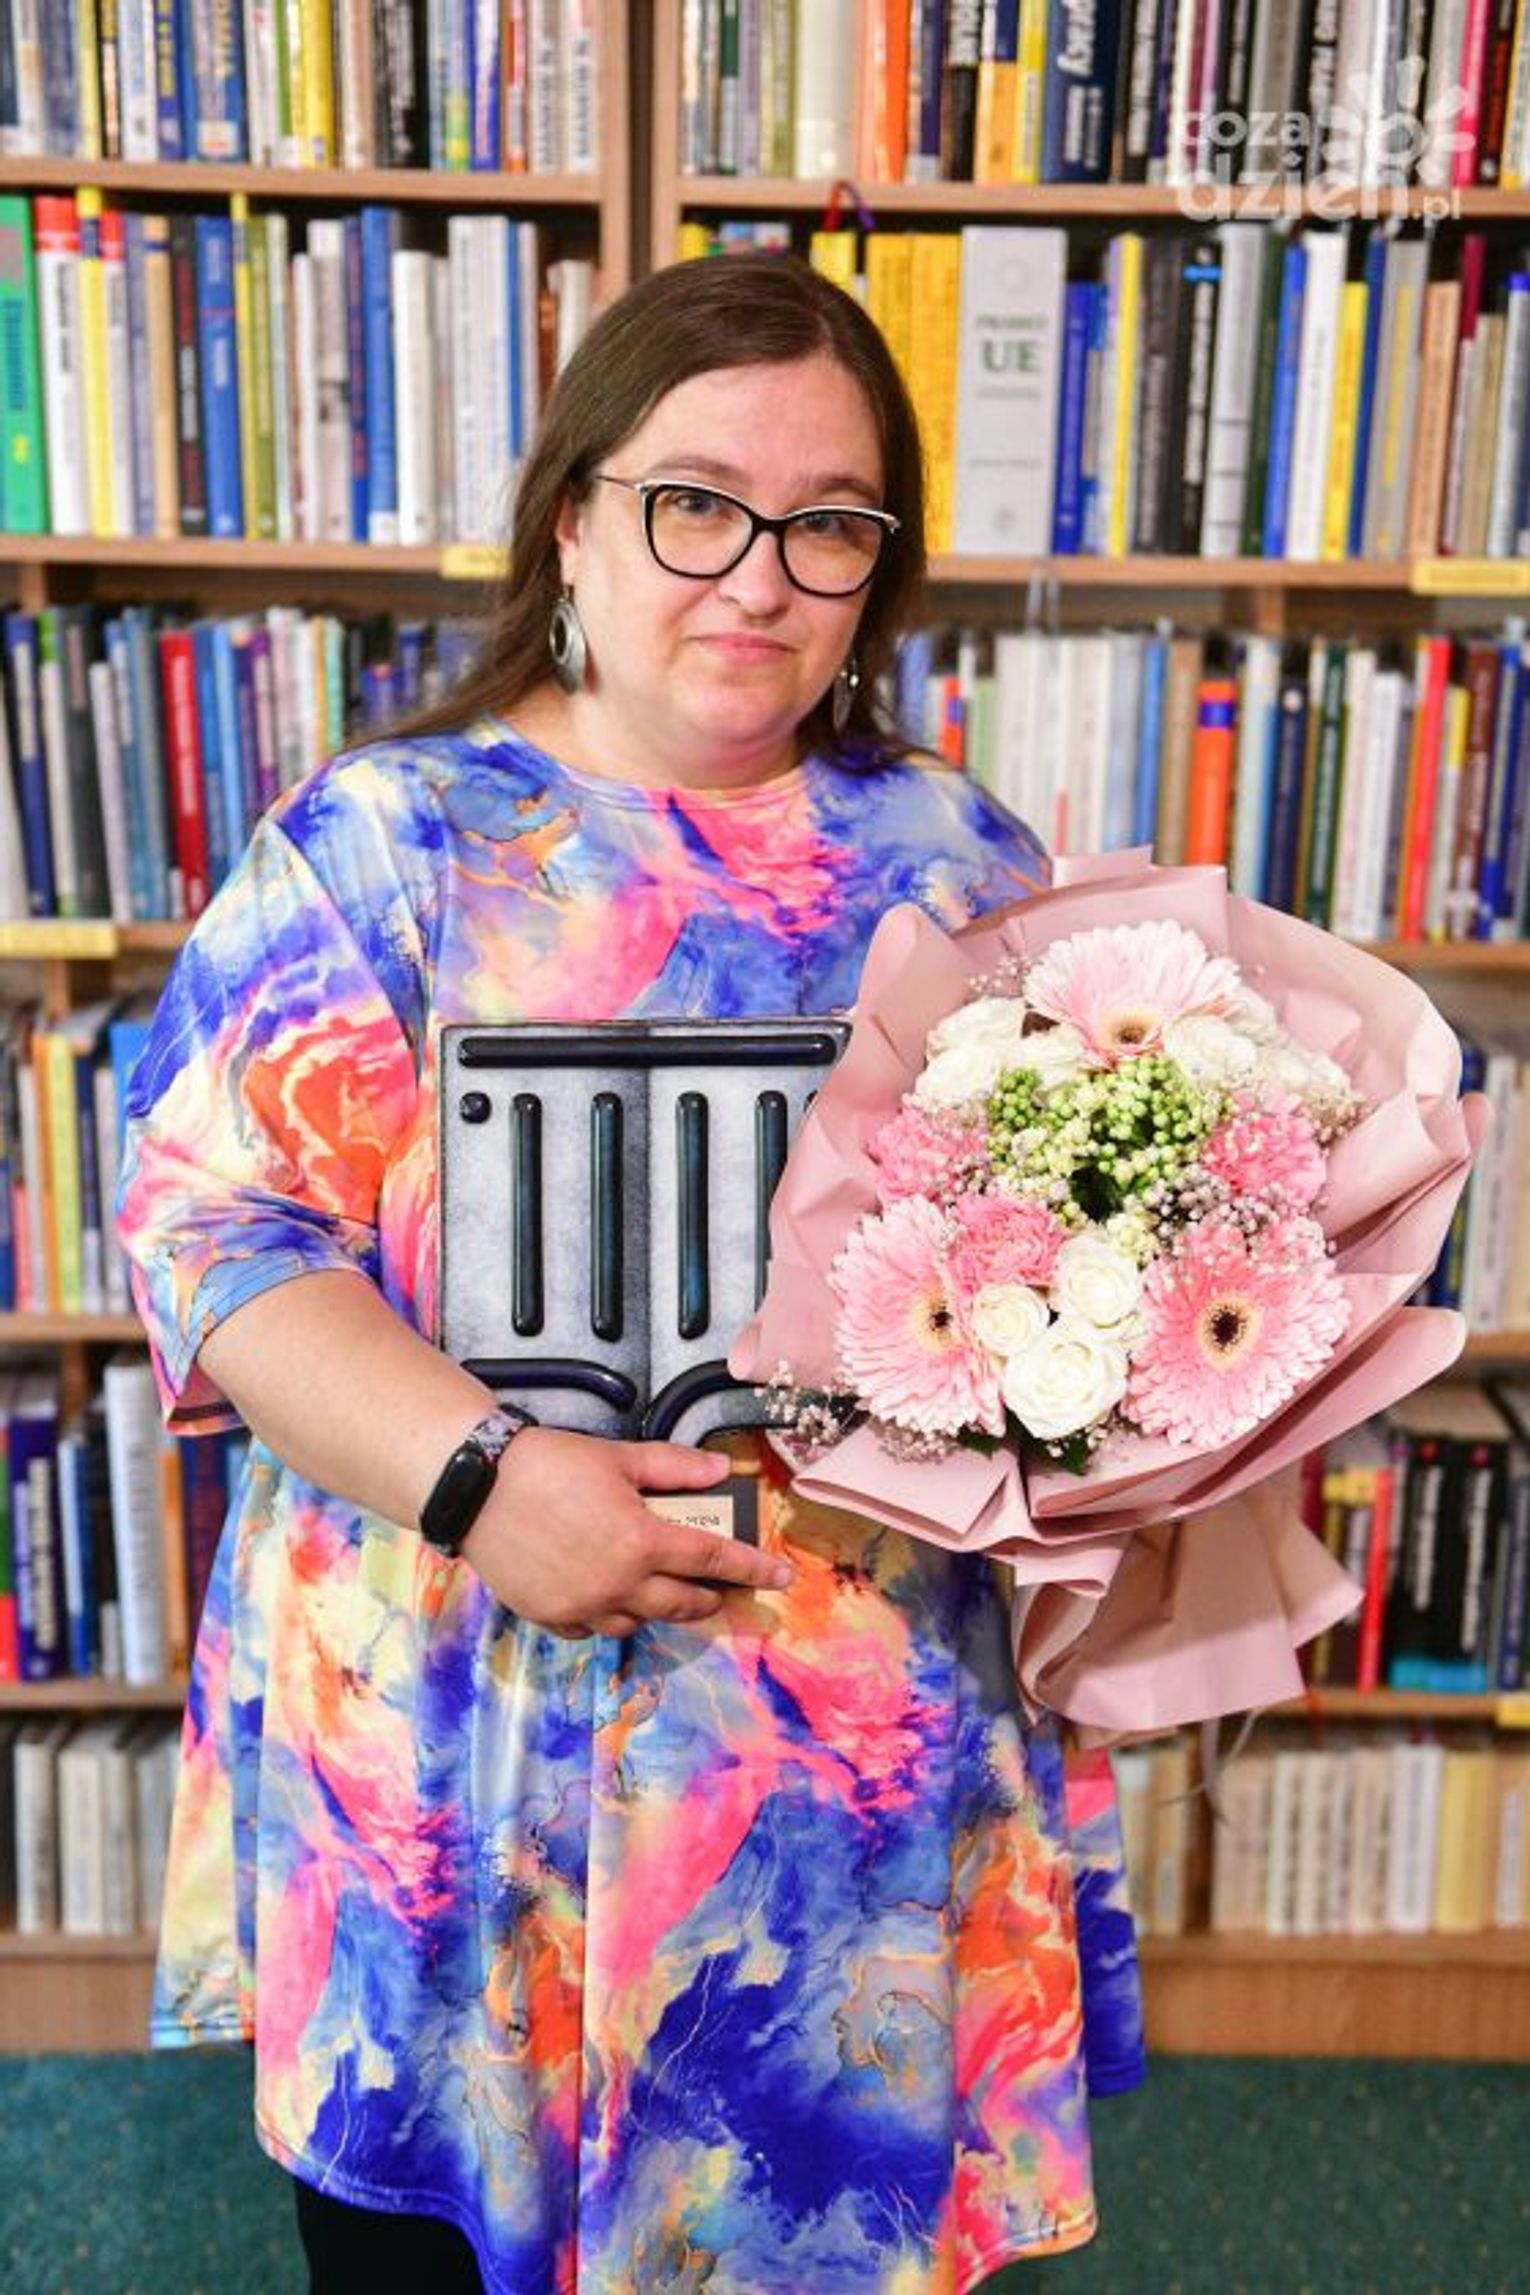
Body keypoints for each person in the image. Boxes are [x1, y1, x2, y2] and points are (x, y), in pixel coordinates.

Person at [117, 252, 1143, 2295]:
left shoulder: (958, 865)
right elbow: (219, 1234)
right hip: (458, 1779)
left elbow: (1059, 1264)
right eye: (697, 504)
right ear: (573, 518)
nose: (758, 578)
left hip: (848, 1808)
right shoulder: (389, 842)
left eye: (828, 523)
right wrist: (488, 1481)